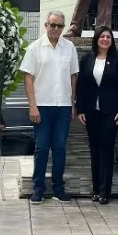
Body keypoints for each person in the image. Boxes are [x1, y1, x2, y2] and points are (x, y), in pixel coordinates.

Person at [20, 11, 79, 205]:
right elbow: (28, 78)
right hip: (42, 106)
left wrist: (71, 103)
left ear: (63, 28)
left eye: (59, 26)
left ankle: (58, 189)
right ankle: (38, 189)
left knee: (60, 148)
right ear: (46, 25)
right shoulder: (34, 48)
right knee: (42, 147)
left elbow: (73, 76)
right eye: (52, 25)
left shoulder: (69, 47)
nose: (55, 29)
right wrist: (32, 106)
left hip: (62, 106)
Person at [76, 26, 118, 204]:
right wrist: (80, 109)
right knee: (94, 151)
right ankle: (96, 189)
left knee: (106, 150)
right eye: (102, 36)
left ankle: (105, 191)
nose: (105, 39)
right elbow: (82, 86)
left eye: (108, 37)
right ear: (96, 39)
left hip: (110, 112)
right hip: (91, 112)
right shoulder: (87, 59)